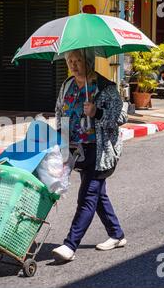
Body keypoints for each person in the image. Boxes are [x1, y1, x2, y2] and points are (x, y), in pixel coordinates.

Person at [52, 48, 128, 262]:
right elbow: (59, 111)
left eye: (77, 60)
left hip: (99, 150)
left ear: (88, 61)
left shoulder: (105, 87)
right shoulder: (67, 85)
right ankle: (116, 234)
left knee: (87, 196)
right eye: (70, 60)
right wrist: (60, 138)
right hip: (76, 148)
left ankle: (70, 245)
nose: (73, 64)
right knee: (98, 195)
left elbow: (122, 115)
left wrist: (97, 112)